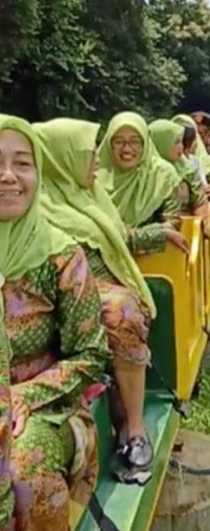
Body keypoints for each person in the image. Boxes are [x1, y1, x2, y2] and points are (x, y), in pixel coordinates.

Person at [0, 115, 107, 531]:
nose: (9, 177)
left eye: (22, 163)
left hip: (44, 407)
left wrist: (22, 396)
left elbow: (91, 354)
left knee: (22, 461)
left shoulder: (62, 256)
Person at [34, 118, 157, 477]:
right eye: (90, 155)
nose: (98, 162)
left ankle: (134, 425)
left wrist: (161, 234)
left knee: (124, 313)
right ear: (62, 160)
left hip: (100, 288)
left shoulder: (89, 194)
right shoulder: (39, 202)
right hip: (60, 293)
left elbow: (120, 238)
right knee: (120, 312)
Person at [98, 111, 187, 253]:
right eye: (119, 142)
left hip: (152, 261)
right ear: (109, 144)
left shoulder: (163, 175)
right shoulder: (94, 176)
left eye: (134, 142)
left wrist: (132, 236)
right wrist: (155, 233)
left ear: (145, 143)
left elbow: (173, 224)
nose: (127, 149)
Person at [148, 119, 208, 217]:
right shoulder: (143, 173)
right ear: (162, 143)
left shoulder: (188, 169)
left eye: (181, 142)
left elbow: (200, 202)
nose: (181, 147)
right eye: (176, 142)